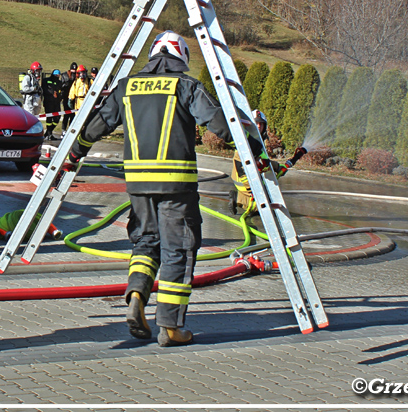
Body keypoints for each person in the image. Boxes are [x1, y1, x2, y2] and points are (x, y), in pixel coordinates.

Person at [64, 31, 265, 347]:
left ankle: (137, 295)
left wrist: (75, 151)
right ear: (181, 56)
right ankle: (170, 327)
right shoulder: (185, 86)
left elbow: (98, 124)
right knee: (179, 249)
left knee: (146, 241)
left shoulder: (127, 87)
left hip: (138, 185)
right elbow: (218, 124)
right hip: (176, 186)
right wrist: (253, 145)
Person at [229, 110, 307, 215]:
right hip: (243, 180)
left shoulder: (257, 140)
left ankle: (243, 198)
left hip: (248, 177)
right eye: (256, 123)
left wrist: (277, 167)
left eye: (261, 124)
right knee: (261, 207)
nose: (259, 126)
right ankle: (237, 198)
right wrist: (255, 190)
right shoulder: (245, 141)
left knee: (267, 199)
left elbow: (262, 159)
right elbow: (247, 168)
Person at [42, 69, 64, 139]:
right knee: (49, 118)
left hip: (56, 103)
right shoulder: (46, 80)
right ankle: (49, 134)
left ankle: (49, 132)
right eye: (56, 75)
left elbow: (61, 91)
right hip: (48, 102)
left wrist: (59, 96)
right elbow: (44, 90)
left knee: (57, 117)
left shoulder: (59, 82)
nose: (57, 76)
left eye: (58, 75)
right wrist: (52, 93)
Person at [59, 62, 77, 132]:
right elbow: (61, 86)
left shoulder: (77, 76)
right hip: (66, 97)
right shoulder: (64, 75)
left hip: (73, 97)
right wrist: (66, 84)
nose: (74, 72)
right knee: (66, 114)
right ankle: (64, 129)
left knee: (73, 115)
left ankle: (70, 129)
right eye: (72, 70)